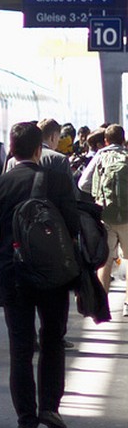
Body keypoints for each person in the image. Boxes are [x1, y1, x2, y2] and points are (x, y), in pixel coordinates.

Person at [0, 122, 81, 428]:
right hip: (54, 275)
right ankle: (49, 406)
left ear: (11, 149)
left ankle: (26, 420)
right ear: (39, 149)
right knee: (52, 341)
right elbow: (73, 226)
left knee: (20, 349)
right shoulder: (59, 181)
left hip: (14, 274)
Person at [88, 124, 128, 311]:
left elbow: (82, 183)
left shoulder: (100, 156)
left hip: (106, 214)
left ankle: (101, 303)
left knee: (105, 259)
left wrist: (98, 194)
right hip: (127, 216)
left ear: (105, 140)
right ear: (123, 139)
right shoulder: (127, 156)